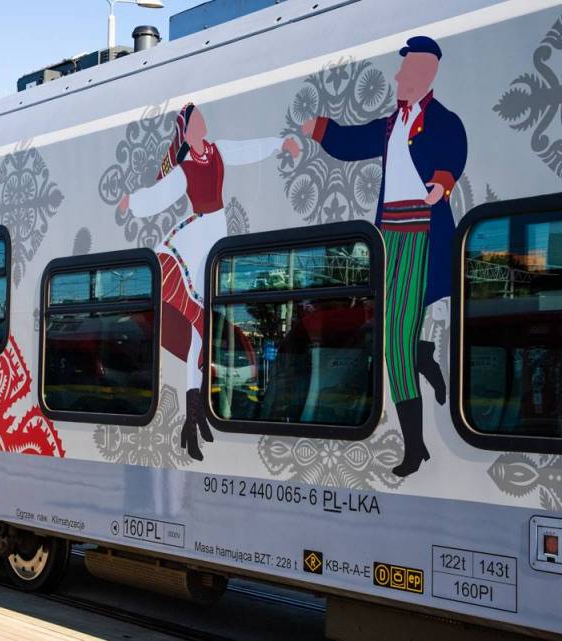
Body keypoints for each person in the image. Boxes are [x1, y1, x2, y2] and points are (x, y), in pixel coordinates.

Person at [302, 36, 467, 477]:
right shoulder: (393, 123)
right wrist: (320, 129)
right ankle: (422, 354)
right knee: (390, 333)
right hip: (388, 235)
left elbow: (454, 147)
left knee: (393, 339)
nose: (397, 77)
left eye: (405, 70)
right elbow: (352, 142)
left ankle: (415, 447)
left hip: (419, 233)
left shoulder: (441, 120)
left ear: (425, 73)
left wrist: (442, 182)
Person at [118, 102, 300, 461]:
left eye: (200, 116)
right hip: (195, 240)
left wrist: (280, 144)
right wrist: (132, 202)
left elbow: (248, 150)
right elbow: (159, 196)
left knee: (200, 333)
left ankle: (194, 418)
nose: (201, 120)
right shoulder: (185, 168)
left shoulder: (218, 151)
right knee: (199, 326)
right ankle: (195, 417)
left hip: (215, 235)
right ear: (186, 133)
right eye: (195, 118)